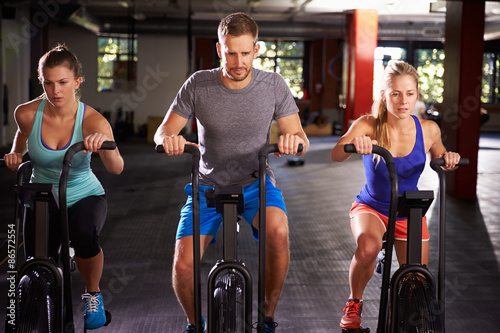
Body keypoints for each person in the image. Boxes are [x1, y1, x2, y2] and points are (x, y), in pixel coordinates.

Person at [154, 12, 309, 333]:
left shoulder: (274, 85)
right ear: (219, 48)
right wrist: (169, 140)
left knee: (278, 234)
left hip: (256, 184)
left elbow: (301, 138)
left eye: (245, 52)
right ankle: (195, 324)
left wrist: (293, 141)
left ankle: (266, 315)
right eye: (230, 52)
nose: (238, 61)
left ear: (257, 49)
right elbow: (163, 131)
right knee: (183, 264)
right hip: (207, 185)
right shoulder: (198, 84)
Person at [331, 60, 461, 331]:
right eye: (396, 94)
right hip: (372, 207)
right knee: (368, 247)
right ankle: (354, 302)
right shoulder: (368, 124)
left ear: (417, 94)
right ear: (384, 95)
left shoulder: (429, 129)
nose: (403, 101)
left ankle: (396, 310)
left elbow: (441, 155)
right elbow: (337, 154)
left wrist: (449, 157)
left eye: (410, 93)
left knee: (416, 279)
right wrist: (355, 145)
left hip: (409, 210)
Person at [3, 44, 124, 330]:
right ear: (41, 81)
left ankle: (93, 294)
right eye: (48, 83)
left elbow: (117, 168)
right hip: (42, 197)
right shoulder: (27, 113)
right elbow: (22, 137)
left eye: (63, 82)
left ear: (77, 82)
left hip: (84, 195)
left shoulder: (94, 120)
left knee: (84, 235)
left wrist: (101, 146)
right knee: (37, 260)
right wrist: (15, 153)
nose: (55, 90)